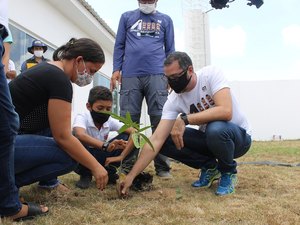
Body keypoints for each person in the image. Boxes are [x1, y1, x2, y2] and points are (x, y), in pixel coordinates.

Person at [119, 51, 252, 196]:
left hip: (238, 138)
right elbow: (156, 139)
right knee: (164, 139)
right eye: (168, 78)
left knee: (215, 128)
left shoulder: (210, 75)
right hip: (210, 140)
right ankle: (210, 167)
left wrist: (185, 119)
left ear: (190, 70)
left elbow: (226, 111)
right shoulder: (174, 100)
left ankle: (228, 172)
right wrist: (130, 176)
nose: (172, 82)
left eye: (176, 77)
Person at [8, 38, 109, 195]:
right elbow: (63, 137)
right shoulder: (59, 79)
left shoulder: (49, 70)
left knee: (53, 127)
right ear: (79, 60)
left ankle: (48, 182)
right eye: (92, 71)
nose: (90, 77)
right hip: (5, 145)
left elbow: (56, 127)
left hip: (13, 137)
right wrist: (95, 166)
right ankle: (7, 187)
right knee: (70, 156)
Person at [111, 0, 175, 178]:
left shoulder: (166, 20)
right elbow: (119, 45)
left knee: (160, 119)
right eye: (143, 0)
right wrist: (116, 69)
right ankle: (127, 164)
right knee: (129, 121)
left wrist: (170, 75)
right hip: (130, 74)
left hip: (157, 74)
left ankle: (162, 167)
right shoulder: (126, 17)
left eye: (150, 0)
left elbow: (170, 50)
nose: (146, 3)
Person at [0, 0, 48, 221]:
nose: (39, 51)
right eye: (36, 48)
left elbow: (6, 35)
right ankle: (9, 204)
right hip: (27, 105)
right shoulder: (27, 64)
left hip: (42, 105)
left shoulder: (46, 64)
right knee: (9, 126)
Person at [73, 85, 136, 189]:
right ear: (89, 106)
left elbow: (135, 133)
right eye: (100, 108)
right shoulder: (82, 117)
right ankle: (85, 174)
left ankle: (109, 170)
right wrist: (105, 145)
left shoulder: (110, 121)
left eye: (108, 109)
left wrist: (122, 155)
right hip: (84, 156)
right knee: (76, 137)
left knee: (126, 136)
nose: (104, 112)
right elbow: (79, 134)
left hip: (101, 155)